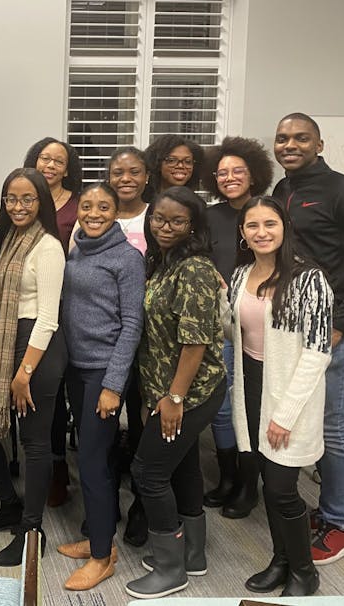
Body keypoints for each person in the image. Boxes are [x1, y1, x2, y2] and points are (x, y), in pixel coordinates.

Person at [272, 113, 344, 565]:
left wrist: (339, 323)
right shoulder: (284, 191)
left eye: (301, 138)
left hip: (337, 323)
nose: (290, 145)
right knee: (309, 415)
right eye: (282, 138)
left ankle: (338, 524)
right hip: (300, 321)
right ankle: (341, 502)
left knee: (330, 423)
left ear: (319, 144)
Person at [125, 186, 226, 600]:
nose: (165, 227)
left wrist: (174, 399)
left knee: (148, 473)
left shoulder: (195, 269)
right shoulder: (164, 261)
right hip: (167, 390)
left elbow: (195, 342)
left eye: (176, 221)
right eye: (158, 219)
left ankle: (170, 570)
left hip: (193, 392)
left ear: (193, 226)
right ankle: (193, 555)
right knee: (181, 467)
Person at [229, 196, 332, 597]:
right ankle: (280, 559)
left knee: (281, 487)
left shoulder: (309, 280)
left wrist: (285, 414)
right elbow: (236, 331)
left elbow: (318, 351)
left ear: (285, 226)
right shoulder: (240, 275)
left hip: (290, 394)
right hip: (251, 384)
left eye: (269, 223)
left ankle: (305, 571)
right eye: (252, 226)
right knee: (264, 479)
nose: (261, 232)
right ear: (242, 233)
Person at [0, 168, 68, 566]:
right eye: (11, 198)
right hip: (5, 339)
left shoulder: (47, 247)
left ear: (41, 201)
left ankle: (32, 531)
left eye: (28, 198)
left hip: (37, 349)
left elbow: (48, 317)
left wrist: (24, 372)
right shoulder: (8, 238)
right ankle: (10, 504)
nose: (18, 206)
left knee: (34, 441)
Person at [57, 183, 145, 592]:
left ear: (116, 212)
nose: (92, 213)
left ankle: (102, 557)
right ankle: (98, 537)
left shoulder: (127, 258)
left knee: (92, 462)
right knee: (97, 458)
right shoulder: (78, 246)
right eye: (87, 206)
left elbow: (132, 325)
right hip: (76, 368)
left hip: (102, 373)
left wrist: (113, 385)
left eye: (103, 207)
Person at [199, 136, 274, 519]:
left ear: (254, 173)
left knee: (251, 406)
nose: (230, 177)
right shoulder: (211, 216)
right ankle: (228, 478)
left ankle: (249, 485)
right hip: (221, 322)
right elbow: (201, 256)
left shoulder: (267, 212)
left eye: (238, 171)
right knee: (223, 407)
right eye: (223, 172)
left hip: (261, 326)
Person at [23, 137, 84, 506]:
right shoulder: (24, 196)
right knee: (39, 391)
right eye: (44, 158)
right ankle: (37, 459)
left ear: (67, 168)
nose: (50, 165)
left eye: (58, 161)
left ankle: (58, 465)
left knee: (57, 391)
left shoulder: (78, 206)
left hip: (67, 306)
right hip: (31, 302)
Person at [104, 146, 150, 547]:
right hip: (103, 339)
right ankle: (105, 506)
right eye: (118, 172)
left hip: (149, 338)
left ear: (146, 176)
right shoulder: (97, 213)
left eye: (134, 171)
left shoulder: (155, 216)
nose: (126, 179)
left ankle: (140, 507)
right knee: (101, 427)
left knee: (139, 423)